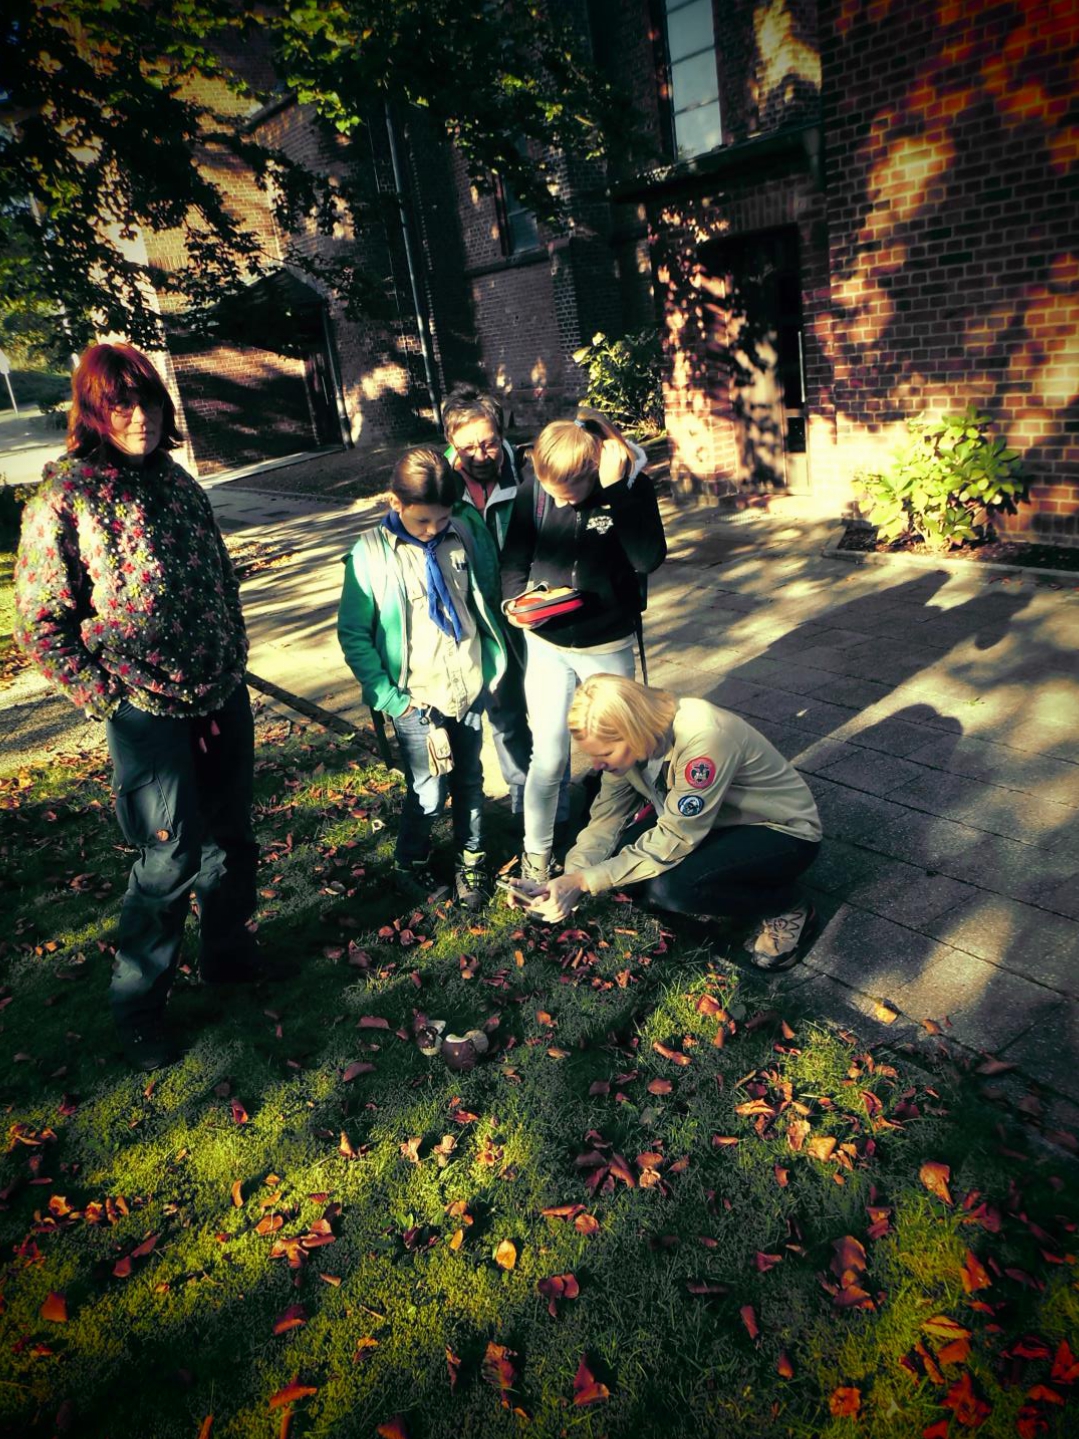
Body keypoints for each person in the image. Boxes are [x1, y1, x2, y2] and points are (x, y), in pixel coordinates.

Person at [13, 343, 259, 1072]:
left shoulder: (180, 483)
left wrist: (233, 652)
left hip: (220, 691)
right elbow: (40, 621)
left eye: (147, 402)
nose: (139, 418)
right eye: (120, 405)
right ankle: (140, 1005)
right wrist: (107, 696)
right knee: (168, 855)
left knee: (231, 839)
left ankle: (229, 958)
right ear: (94, 412)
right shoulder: (67, 496)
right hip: (144, 708)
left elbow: (220, 576)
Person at [512, 674, 822, 971]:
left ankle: (787, 906)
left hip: (782, 832)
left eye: (604, 753)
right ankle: (723, 889)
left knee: (672, 888)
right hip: (711, 823)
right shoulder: (637, 740)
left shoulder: (705, 739)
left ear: (633, 731)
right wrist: (571, 878)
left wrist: (583, 883)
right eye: (592, 755)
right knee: (619, 857)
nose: (596, 765)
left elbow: (675, 838)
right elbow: (606, 821)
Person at [337, 445, 509, 908]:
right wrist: (390, 697)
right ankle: (409, 861)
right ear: (395, 502)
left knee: (470, 781)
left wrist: (490, 668)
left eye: (442, 518)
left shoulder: (461, 535)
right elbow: (353, 633)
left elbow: (481, 601)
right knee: (429, 791)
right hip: (415, 699)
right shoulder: (369, 555)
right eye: (422, 521)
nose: (434, 529)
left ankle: (471, 859)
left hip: (467, 687)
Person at [500, 410, 666, 883]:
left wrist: (617, 492)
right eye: (548, 488)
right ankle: (536, 855)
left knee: (622, 752)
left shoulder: (629, 488)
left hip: (606, 642)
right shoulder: (535, 489)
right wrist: (512, 602)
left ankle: (631, 844)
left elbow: (647, 558)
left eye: (567, 491)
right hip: (546, 641)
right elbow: (515, 555)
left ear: (593, 467)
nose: (557, 499)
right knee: (549, 755)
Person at [442, 383, 532, 815]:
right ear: (450, 441)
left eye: (489, 444)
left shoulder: (528, 474)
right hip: (478, 623)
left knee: (551, 714)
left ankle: (556, 807)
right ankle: (524, 804)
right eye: (467, 448)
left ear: (501, 433)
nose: (480, 456)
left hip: (531, 613)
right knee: (505, 715)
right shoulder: (438, 485)